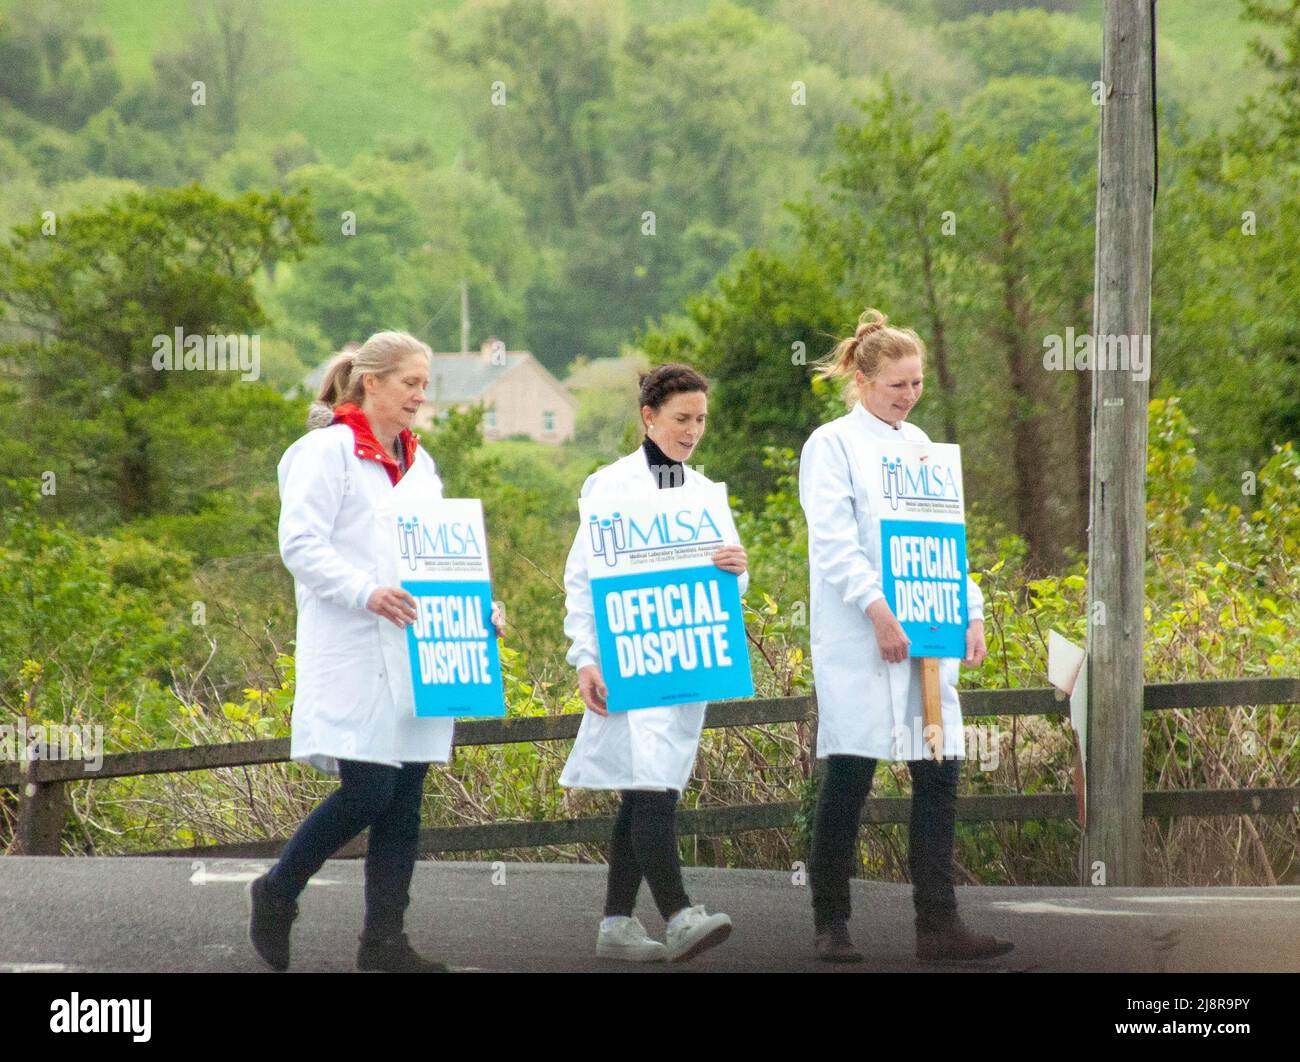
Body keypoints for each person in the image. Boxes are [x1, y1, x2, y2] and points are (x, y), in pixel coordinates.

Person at [247, 330, 503, 973]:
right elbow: (300, 546)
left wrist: (477, 609)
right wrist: (367, 593)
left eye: (424, 384)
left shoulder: (421, 463)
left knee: (407, 797)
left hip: (421, 649)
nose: (421, 395)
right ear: (371, 382)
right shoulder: (324, 451)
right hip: (354, 646)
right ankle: (276, 891)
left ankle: (384, 942)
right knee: (368, 791)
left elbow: (442, 555)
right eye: (411, 383)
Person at [799, 308, 1014, 964]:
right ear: (863, 381)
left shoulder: (922, 446)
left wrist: (970, 610)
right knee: (850, 776)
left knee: (940, 772)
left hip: (926, 636)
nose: (909, 394)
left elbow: (945, 541)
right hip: (865, 642)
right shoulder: (831, 445)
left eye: (916, 383)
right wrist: (877, 612)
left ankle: (938, 924)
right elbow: (834, 544)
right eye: (897, 384)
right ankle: (831, 924)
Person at [559, 364, 748, 963]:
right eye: (681, 419)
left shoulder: (704, 492)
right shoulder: (610, 486)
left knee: (648, 786)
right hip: (630, 657)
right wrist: (586, 657)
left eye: (700, 421)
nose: (693, 432)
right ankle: (679, 912)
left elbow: (728, 589)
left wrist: (736, 570)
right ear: (648, 416)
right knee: (652, 784)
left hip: (687, 659)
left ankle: (616, 923)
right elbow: (582, 579)